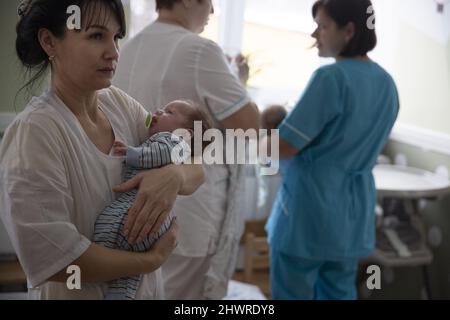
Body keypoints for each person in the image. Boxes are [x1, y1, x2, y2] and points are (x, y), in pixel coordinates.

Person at [0, 0, 204, 300]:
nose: (114, 52)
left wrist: (174, 175)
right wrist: (149, 261)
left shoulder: (120, 105)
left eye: (116, 37)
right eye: (96, 36)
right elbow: (58, 261)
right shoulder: (34, 133)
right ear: (49, 41)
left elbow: (196, 164)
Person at [113, 0, 260, 299]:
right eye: (210, 2)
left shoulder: (125, 51)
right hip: (189, 212)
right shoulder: (200, 51)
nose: (213, 11)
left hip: (132, 208)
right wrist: (236, 81)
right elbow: (250, 125)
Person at [263, 0, 399, 300]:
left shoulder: (331, 79)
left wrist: (258, 139)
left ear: (348, 30)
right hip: (350, 217)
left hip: (308, 212)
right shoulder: (387, 84)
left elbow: (284, 146)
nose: (315, 35)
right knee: (338, 293)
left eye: (323, 26)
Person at [95, 100, 211, 300]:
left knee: (107, 227)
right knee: (130, 271)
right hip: (154, 223)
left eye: (169, 111)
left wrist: (131, 153)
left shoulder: (172, 141)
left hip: (138, 211)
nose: (158, 110)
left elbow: (158, 154)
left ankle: (101, 261)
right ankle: (120, 293)